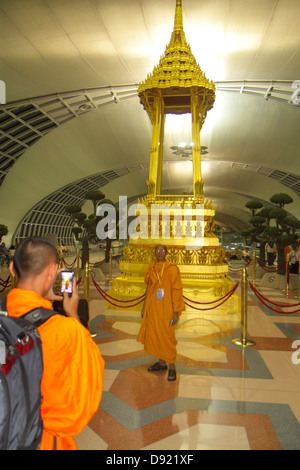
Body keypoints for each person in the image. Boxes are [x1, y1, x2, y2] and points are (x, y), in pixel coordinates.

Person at [6, 237, 105, 450]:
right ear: (53, 272)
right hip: (40, 440)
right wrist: (72, 314)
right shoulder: (63, 330)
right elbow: (81, 404)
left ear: (12, 268)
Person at [137, 244, 185, 381]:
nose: (159, 253)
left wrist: (176, 312)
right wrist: (144, 307)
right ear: (154, 253)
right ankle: (161, 362)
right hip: (153, 307)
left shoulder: (172, 269)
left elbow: (176, 291)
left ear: (166, 253)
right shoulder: (151, 268)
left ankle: (172, 366)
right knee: (156, 334)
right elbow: (148, 288)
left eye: (162, 251)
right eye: (157, 251)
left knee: (167, 336)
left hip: (167, 308)